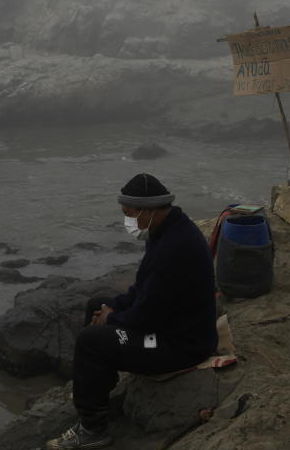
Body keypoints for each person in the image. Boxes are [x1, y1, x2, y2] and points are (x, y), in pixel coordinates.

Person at [46, 173, 219, 450]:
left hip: (178, 344)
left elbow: (147, 317)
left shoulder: (173, 248)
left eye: (130, 214)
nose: (128, 221)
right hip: (168, 326)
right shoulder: (166, 231)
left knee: (91, 341)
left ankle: (93, 429)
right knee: (98, 303)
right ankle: (97, 388)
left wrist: (112, 318)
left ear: (149, 210)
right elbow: (142, 289)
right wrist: (112, 307)